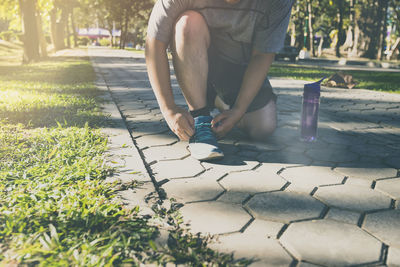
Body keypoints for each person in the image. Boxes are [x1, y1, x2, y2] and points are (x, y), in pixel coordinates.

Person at [145, 0, 294, 161]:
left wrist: (238, 110)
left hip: (239, 66)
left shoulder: (278, 3)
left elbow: (262, 56)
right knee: (188, 23)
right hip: (193, 56)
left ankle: (219, 99)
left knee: (263, 127)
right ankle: (200, 119)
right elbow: (155, 43)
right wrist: (169, 109)